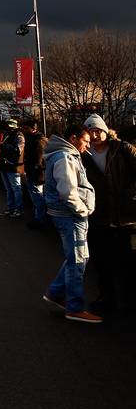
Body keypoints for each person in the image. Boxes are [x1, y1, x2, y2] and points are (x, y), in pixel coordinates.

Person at [42, 124, 102, 323]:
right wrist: (83, 210)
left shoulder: (64, 154)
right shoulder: (65, 157)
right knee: (77, 260)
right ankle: (74, 307)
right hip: (70, 216)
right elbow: (67, 192)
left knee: (77, 258)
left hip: (66, 214)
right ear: (73, 138)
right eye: (85, 141)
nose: (87, 146)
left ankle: (55, 292)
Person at [82, 114, 136, 317]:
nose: (95, 135)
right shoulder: (84, 155)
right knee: (101, 262)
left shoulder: (123, 148)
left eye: (98, 131)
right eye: (90, 132)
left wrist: (130, 194)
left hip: (126, 217)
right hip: (100, 216)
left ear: (106, 131)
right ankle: (107, 299)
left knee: (128, 262)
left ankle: (128, 302)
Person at [22, 119, 48, 228]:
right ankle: (39, 217)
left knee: (37, 196)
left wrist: (35, 168)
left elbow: (39, 159)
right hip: (36, 172)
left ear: (33, 129)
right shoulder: (36, 139)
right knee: (37, 196)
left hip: (36, 174)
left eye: (26, 128)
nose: (24, 130)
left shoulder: (37, 141)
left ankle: (40, 219)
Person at [0, 119, 26, 218]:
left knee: (16, 188)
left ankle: (19, 209)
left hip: (14, 166)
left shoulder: (19, 136)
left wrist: (4, 145)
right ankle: (11, 208)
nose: (8, 128)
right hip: (5, 165)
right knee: (9, 189)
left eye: (10, 127)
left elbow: (18, 150)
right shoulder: (8, 135)